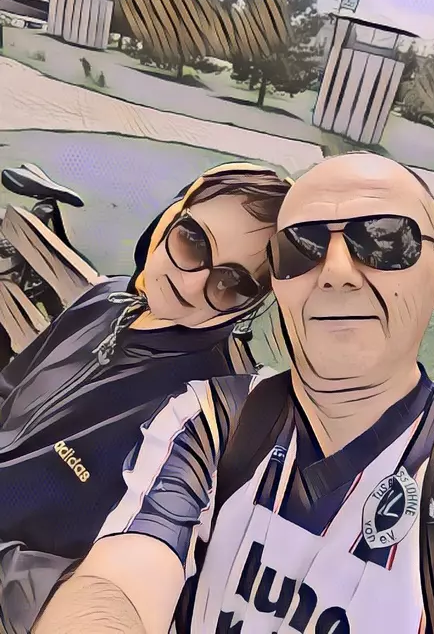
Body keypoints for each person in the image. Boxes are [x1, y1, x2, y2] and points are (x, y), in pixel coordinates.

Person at [32, 153, 434, 634]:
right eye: (301, 248)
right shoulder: (209, 421)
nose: (335, 270)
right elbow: (119, 581)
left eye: (384, 240)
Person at [0, 162, 292, 632]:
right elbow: (11, 391)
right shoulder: (106, 299)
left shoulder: (198, 412)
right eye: (193, 241)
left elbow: (93, 580)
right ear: (170, 215)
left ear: (252, 303)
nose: (193, 282)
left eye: (231, 283)